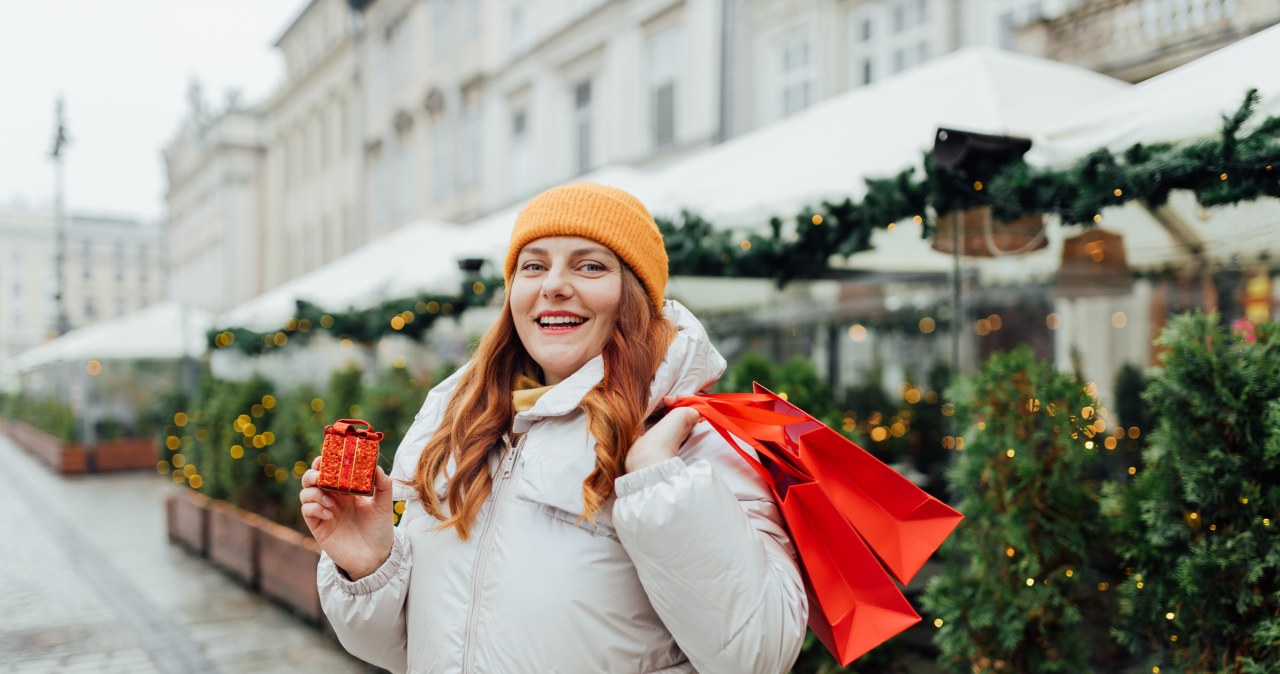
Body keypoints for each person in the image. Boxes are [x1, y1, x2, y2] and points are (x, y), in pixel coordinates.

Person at [299, 182, 807, 674]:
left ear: (633, 296)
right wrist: (370, 568)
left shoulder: (686, 438)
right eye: (533, 265)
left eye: (590, 265)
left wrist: (659, 486)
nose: (554, 285)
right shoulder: (462, 435)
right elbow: (413, 652)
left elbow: (758, 656)